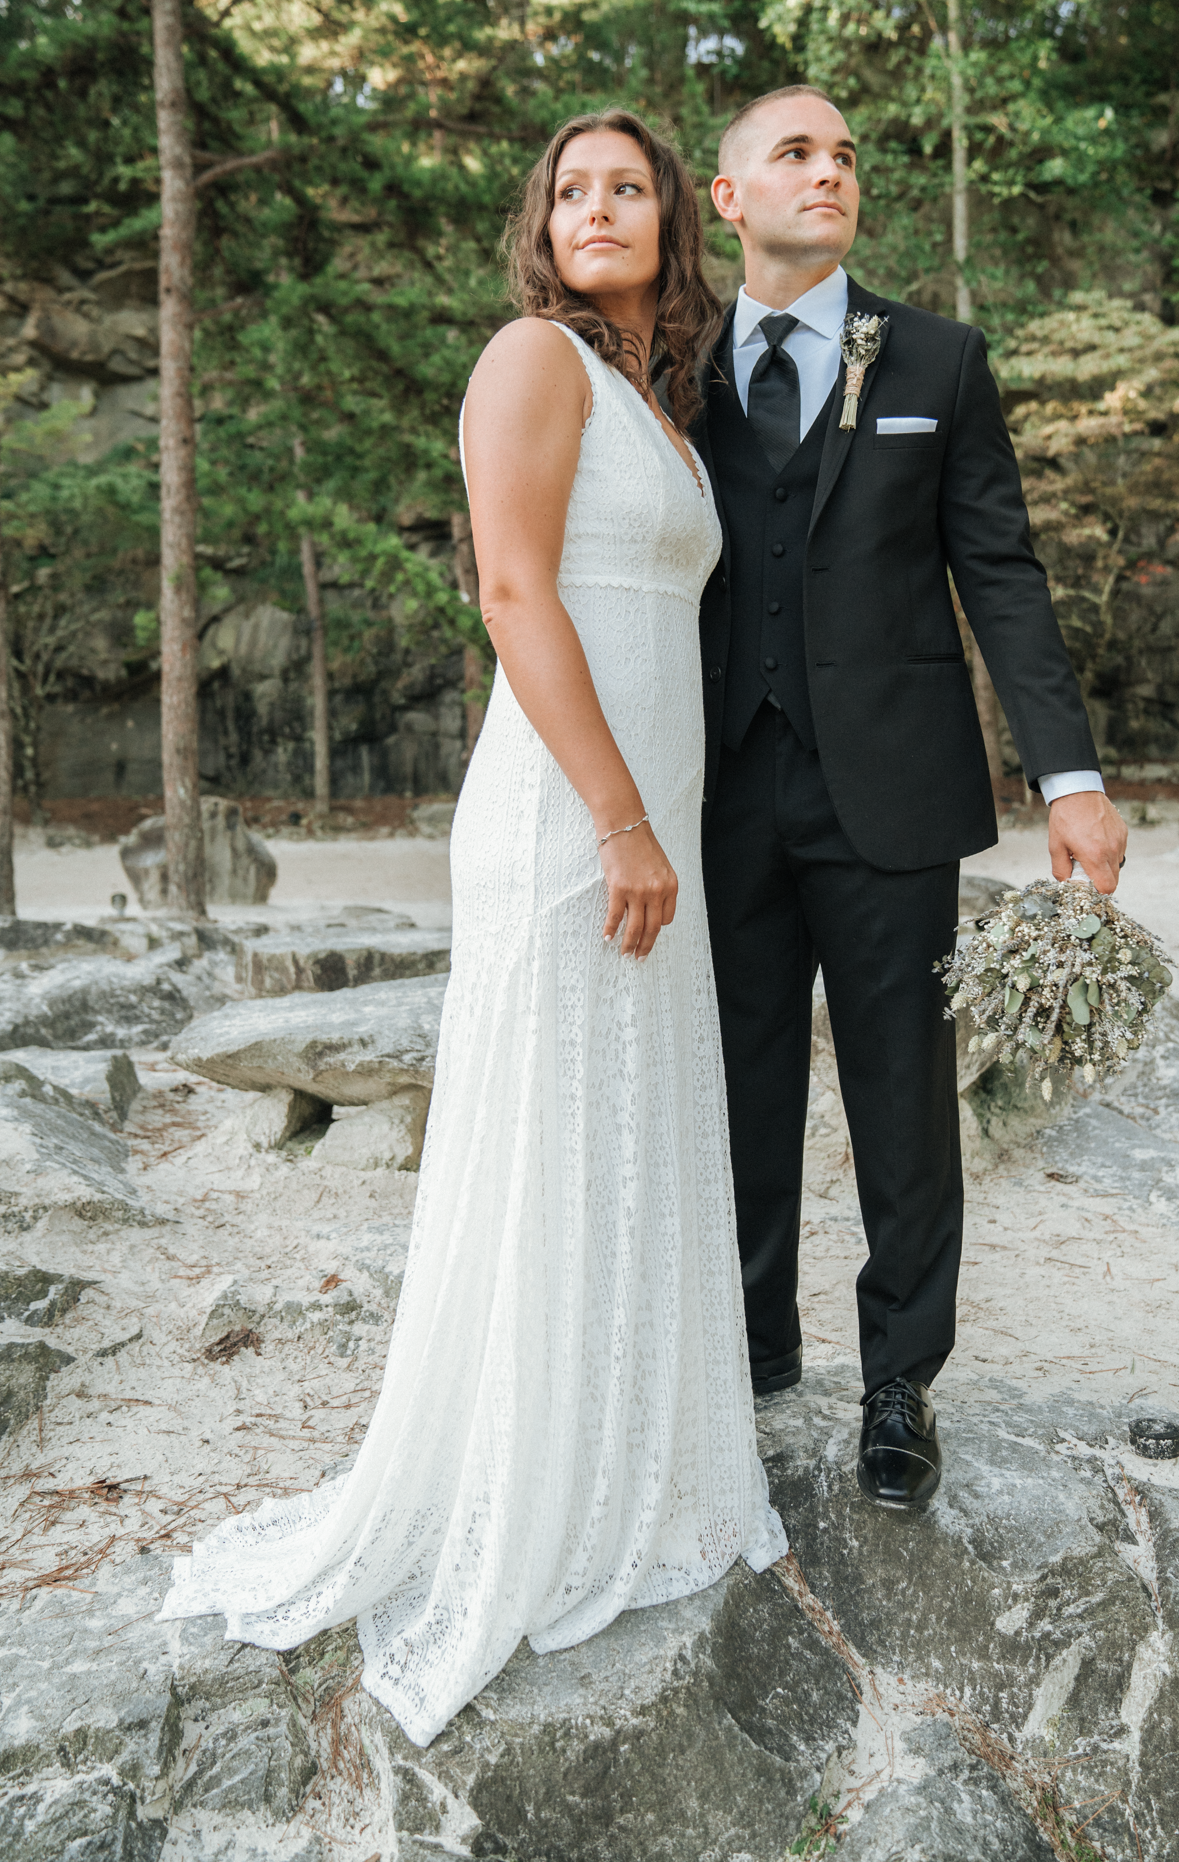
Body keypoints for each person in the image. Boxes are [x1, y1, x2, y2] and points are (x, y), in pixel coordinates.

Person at [158, 109, 786, 1748]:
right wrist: (624, 818)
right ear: (542, 224)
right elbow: (515, 597)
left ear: (671, 220)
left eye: (627, 187)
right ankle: (530, 1478)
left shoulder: (662, 397)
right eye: (570, 189)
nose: (597, 208)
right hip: (573, 816)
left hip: (650, 814)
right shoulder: (531, 360)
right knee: (554, 1138)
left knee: (630, 1136)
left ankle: (632, 1459)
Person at [692, 84, 1129, 1510]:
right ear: (728, 195)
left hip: (889, 787)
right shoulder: (667, 365)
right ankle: (755, 1353)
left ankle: (899, 1385)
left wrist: (1070, 778)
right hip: (714, 785)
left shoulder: (936, 357)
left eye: (846, 158)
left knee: (900, 1094)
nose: (831, 175)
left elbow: (998, 566)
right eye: (796, 154)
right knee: (736, 1086)